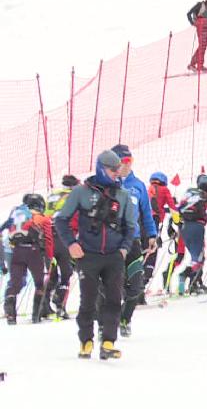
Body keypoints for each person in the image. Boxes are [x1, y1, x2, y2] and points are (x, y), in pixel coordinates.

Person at [54, 150, 137, 360]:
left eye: (118, 170)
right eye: (112, 170)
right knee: (88, 300)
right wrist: (71, 244)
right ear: (101, 168)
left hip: (114, 256)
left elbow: (130, 225)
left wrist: (124, 249)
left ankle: (108, 341)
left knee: (113, 299)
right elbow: (61, 220)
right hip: (88, 255)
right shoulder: (81, 192)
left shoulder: (123, 195)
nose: (117, 174)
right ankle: (86, 341)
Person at [109, 144, 157, 337]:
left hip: (133, 241)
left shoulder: (137, 185)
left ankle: (125, 318)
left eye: (130, 161)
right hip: (112, 242)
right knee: (113, 284)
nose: (127, 165)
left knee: (136, 284)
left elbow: (146, 213)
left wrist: (152, 235)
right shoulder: (106, 184)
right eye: (124, 161)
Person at [3, 194, 53, 324]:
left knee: (15, 283)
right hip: (33, 251)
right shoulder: (41, 218)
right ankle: (36, 314)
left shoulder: (16, 215)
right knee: (39, 282)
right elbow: (48, 239)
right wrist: (49, 257)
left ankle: (10, 314)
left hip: (16, 251)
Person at [42, 174, 80, 319]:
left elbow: (46, 214)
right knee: (66, 272)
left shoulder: (53, 195)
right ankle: (60, 303)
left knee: (51, 274)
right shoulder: (75, 197)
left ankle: (43, 305)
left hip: (49, 236)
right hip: (64, 236)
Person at [175, 174, 207, 296]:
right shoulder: (204, 198)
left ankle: (194, 283)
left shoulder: (189, 194)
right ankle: (186, 278)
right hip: (197, 227)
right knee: (198, 259)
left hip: (184, 227)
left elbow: (178, 209)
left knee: (196, 257)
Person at [143, 172, 177, 293]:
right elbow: (172, 207)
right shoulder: (164, 189)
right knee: (153, 250)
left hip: (141, 220)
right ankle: (145, 277)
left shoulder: (147, 189)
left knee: (144, 247)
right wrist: (177, 221)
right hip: (154, 220)